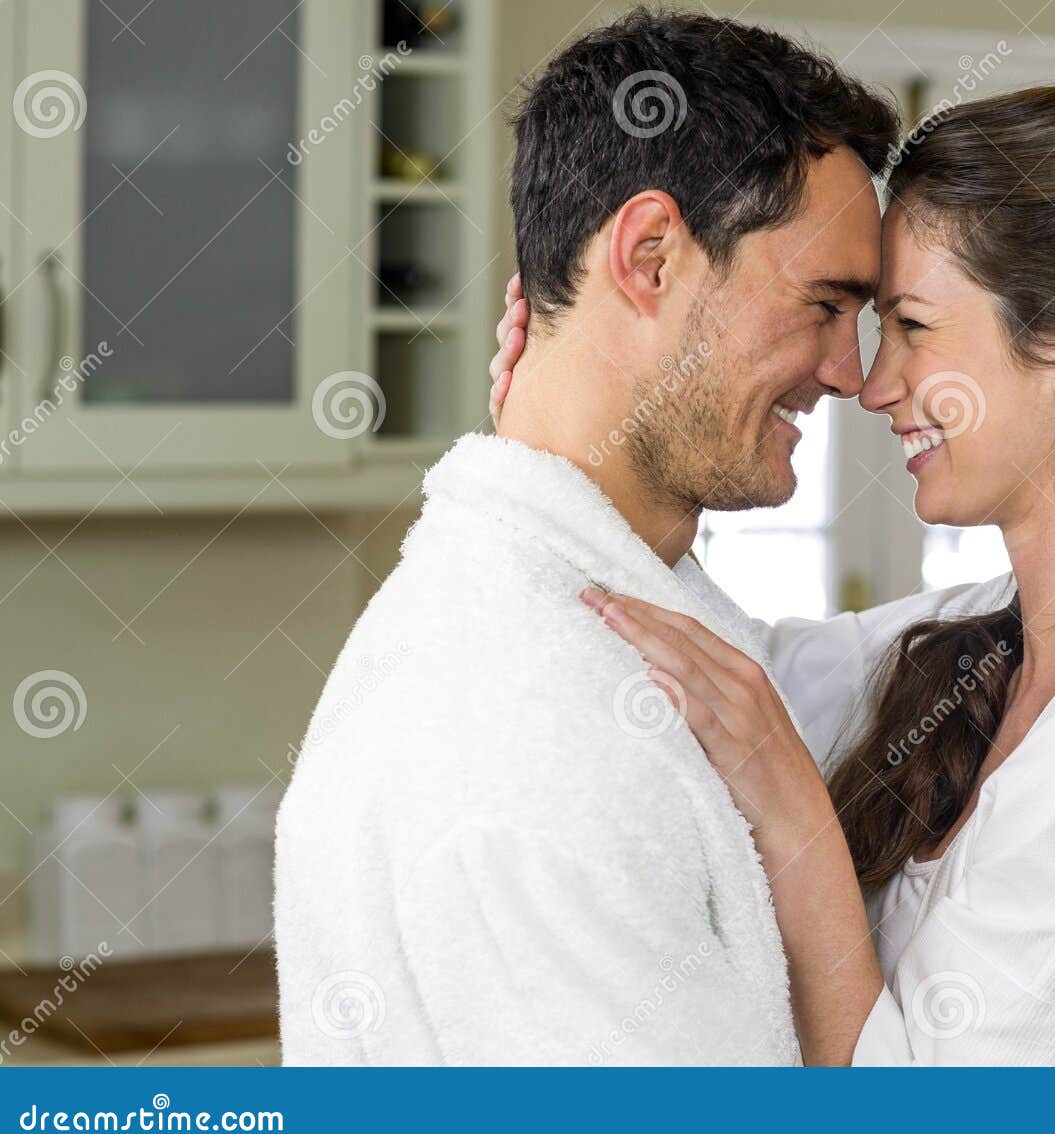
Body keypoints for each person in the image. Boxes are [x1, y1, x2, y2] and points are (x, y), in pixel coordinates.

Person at [490, 85, 1055, 1065]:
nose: (872, 384)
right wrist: (563, 453)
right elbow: (739, 678)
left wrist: (791, 811)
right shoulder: (997, 639)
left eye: (911, 324)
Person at [274, 8, 898, 1064]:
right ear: (650, 255)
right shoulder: (531, 741)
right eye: (825, 304)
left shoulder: (603, 612)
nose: (851, 370)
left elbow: (853, 667)